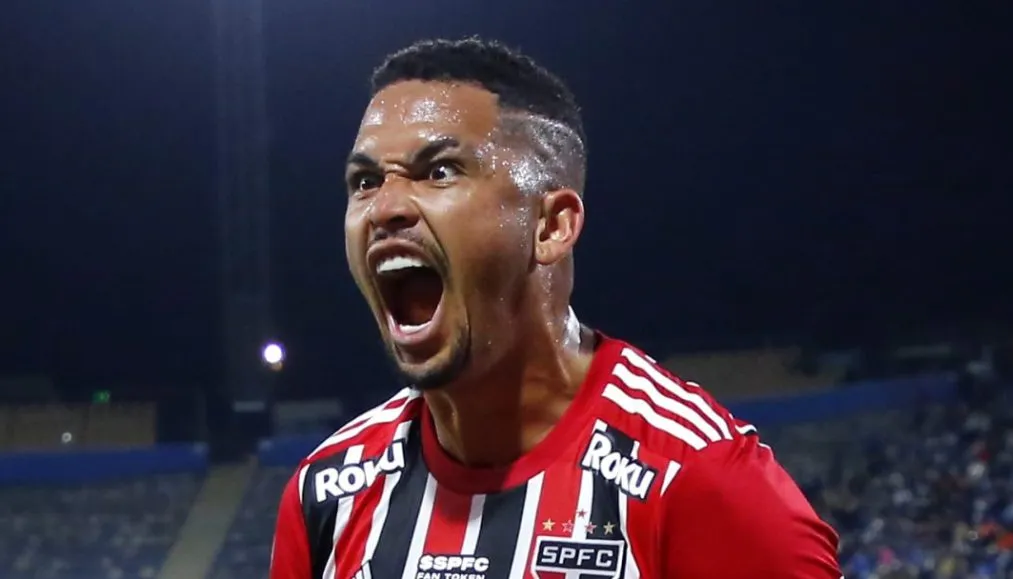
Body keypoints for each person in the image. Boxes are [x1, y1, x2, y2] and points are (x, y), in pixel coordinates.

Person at [271, 37, 841, 578]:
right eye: (365, 180)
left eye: (439, 171)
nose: (385, 206)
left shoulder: (693, 478)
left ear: (551, 225)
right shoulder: (327, 493)